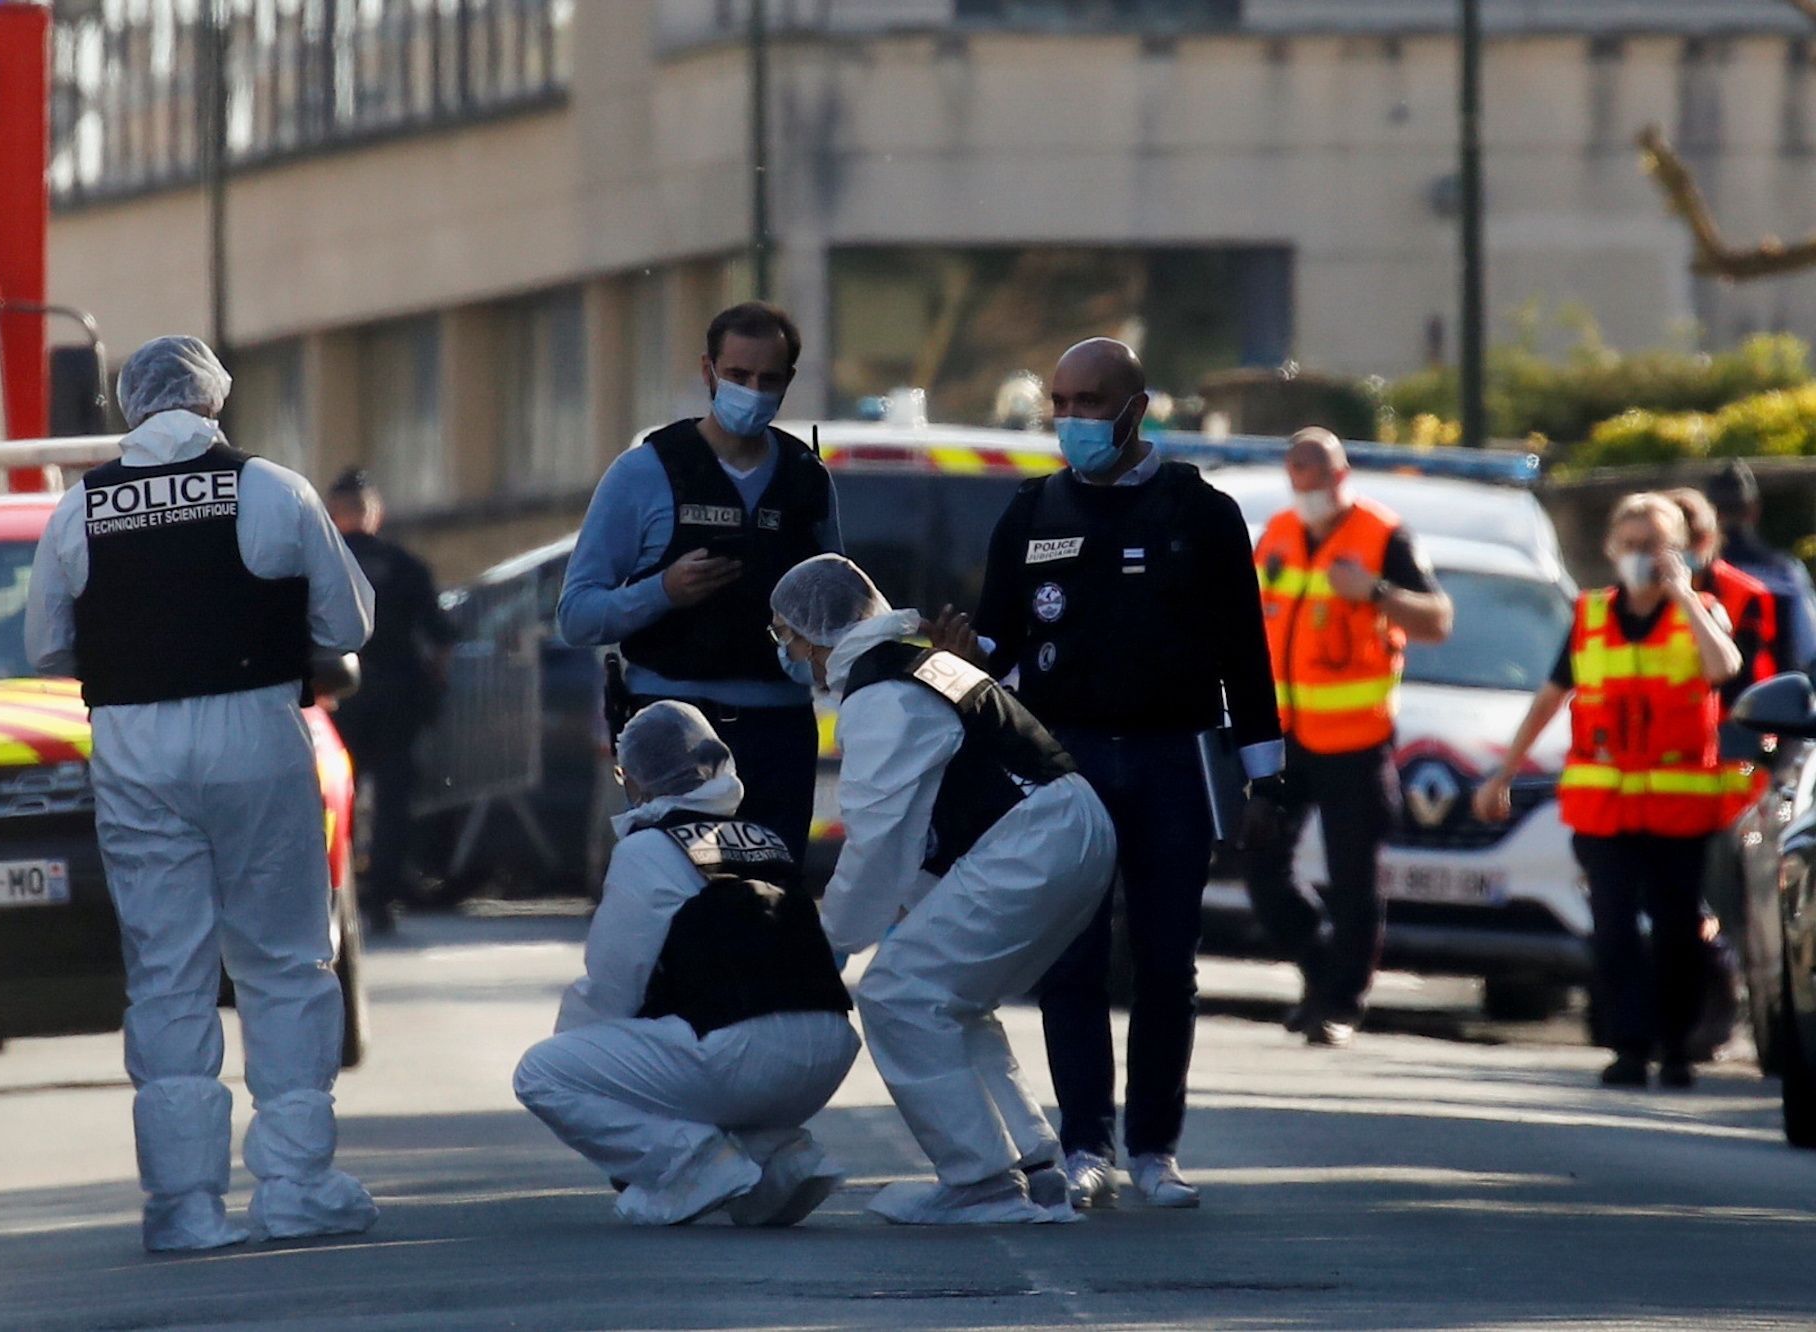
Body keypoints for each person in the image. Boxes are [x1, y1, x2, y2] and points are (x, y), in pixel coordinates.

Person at [25, 336, 380, 1252]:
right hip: (255, 734)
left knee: (167, 972)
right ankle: (298, 1185)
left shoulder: (79, 510)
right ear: (214, 403)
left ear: (129, 407)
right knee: (284, 958)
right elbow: (348, 622)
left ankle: (182, 1209)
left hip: (136, 750)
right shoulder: (271, 488)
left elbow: (48, 651)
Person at [954, 338, 1282, 1212]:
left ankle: (1155, 1150)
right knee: (1072, 959)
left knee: (1168, 962)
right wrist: (949, 660)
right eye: (1060, 402)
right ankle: (1084, 1143)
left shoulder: (1200, 513)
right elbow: (994, 643)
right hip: (1070, 764)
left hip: (1175, 758)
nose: (1073, 420)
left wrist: (1265, 777)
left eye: (1092, 402)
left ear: (1137, 410)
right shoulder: (1030, 512)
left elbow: (1245, 656)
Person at [771, 554, 1117, 1225]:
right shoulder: (912, 664)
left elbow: (876, 845)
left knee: (898, 996)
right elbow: (924, 829)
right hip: (1063, 825)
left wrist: (824, 949)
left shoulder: (881, 695)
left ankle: (979, 1181)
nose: (790, 654)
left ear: (818, 635)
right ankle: (1035, 1165)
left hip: (1033, 839)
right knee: (952, 998)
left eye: (787, 636)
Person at [513, 701, 859, 1227]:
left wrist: (589, 1064)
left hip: (743, 1050)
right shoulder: (763, 838)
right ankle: (781, 1155)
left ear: (636, 778)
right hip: (827, 1050)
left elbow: (612, 988)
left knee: (543, 1073)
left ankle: (693, 1166)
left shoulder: (649, 849)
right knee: (690, 1052)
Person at [557, 302, 842, 865]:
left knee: (769, 905)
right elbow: (577, 615)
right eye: (737, 376)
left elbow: (836, 614)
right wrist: (663, 591)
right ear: (708, 371)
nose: (751, 391)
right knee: (677, 902)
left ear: (787, 383)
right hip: (671, 730)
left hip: (777, 732)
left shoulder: (806, 479)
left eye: (767, 379)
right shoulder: (644, 473)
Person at [1475, 492, 1741, 1090]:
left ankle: (1676, 1047)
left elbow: (1723, 667)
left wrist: (1682, 596)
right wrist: (1504, 773)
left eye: (1656, 545)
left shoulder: (1701, 612)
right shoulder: (1590, 616)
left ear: (1680, 551)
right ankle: (1629, 1045)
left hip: (1677, 811)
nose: (1644, 556)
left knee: (1677, 933)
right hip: (1604, 811)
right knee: (1613, 929)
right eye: (1634, 545)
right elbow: (1550, 698)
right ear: (1612, 550)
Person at [1246, 428, 1453, 1048]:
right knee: (1260, 869)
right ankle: (1320, 970)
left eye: (1321, 477)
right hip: (1281, 739)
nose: (1310, 490)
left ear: (1343, 475)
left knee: (1354, 881)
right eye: (1298, 478)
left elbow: (1439, 621)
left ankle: (1340, 1004)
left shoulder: (1382, 535)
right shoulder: (1277, 535)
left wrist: (1378, 593)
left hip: (1355, 742)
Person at [324, 468, 458, 933]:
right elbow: (440, 635)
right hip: (398, 697)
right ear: (374, 512)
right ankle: (383, 897)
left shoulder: (318, 563)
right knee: (394, 802)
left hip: (336, 698)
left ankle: (334, 894)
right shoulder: (403, 563)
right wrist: (433, 686)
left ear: (334, 513)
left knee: (334, 797)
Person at [1668, 486, 1779, 822]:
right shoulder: (1639, 600)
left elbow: (1739, 677)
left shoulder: (1744, 594)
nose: (1688, 547)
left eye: (1696, 537)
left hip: (1730, 741)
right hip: (1665, 744)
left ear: (1710, 538)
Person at [1707, 459, 1816, 673]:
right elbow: (1808, 648)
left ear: (1711, 515)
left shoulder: (1689, 578)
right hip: (1772, 696)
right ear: (1754, 510)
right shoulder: (1787, 573)